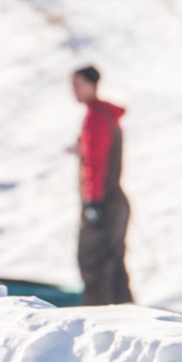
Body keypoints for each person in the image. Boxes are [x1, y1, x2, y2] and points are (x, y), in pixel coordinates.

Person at [72, 65, 132, 306]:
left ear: (91, 85)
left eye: (77, 85)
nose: (73, 90)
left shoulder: (96, 117)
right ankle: (130, 321)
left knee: (94, 265)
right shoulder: (105, 115)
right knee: (113, 265)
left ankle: (98, 325)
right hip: (113, 202)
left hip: (103, 202)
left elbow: (96, 164)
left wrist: (92, 203)